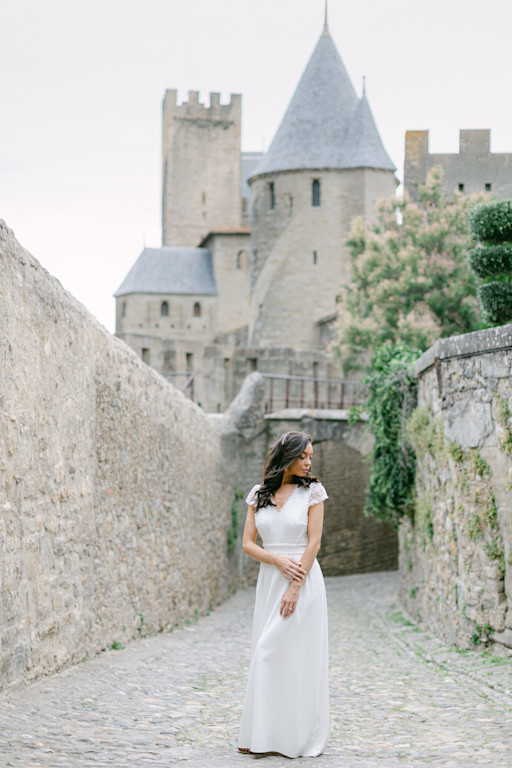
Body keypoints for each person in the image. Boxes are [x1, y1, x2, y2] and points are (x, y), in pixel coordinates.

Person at [238, 431, 329, 758]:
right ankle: (261, 734)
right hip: (270, 580)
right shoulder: (258, 494)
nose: (308, 463)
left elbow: (314, 542)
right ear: (287, 456)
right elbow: (248, 543)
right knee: (268, 654)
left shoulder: (313, 492)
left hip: (302, 583)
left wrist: (295, 586)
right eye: (303, 456)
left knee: (290, 657)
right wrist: (275, 559)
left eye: (310, 457)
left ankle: (296, 737)